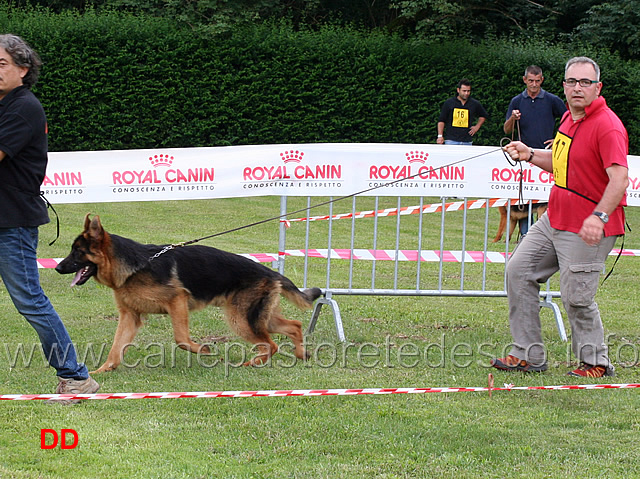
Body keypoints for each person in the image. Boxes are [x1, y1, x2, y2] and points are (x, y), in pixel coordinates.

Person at [491, 56, 629, 378]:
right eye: (571, 82)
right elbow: (563, 164)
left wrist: (599, 216)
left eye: (585, 82)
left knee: (576, 297)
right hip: (555, 218)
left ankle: (596, 363)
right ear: (564, 86)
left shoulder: (607, 126)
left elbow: (619, 178)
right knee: (518, 270)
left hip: (588, 226)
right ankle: (528, 355)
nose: (577, 88)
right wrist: (530, 154)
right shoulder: (569, 118)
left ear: (598, 87)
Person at [0, 34, 99, 403]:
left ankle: (75, 376)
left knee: (29, 300)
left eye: (2, 64)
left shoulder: (24, 107)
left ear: (23, 70)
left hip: (11, 224)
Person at [503, 65, 567, 237]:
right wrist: (512, 118)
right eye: (530, 81)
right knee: (523, 200)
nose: (534, 85)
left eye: (537, 81)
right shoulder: (517, 101)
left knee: (543, 201)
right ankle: (526, 236)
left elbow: (569, 120)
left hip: (545, 157)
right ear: (525, 80)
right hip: (523, 158)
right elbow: (506, 130)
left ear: (542, 80)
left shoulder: (552, 100)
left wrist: (558, 139)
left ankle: (543, 236)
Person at [437, 79, 488, 145]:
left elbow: (483, 115)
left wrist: (477, 127)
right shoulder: (449, 103)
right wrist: (440, 136)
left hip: (467, 140)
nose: (466, 93)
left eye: (468, 91)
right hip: (451, 140)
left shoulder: (474, 103)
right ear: (458, 90)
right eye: (464, 91)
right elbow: (441, 120)